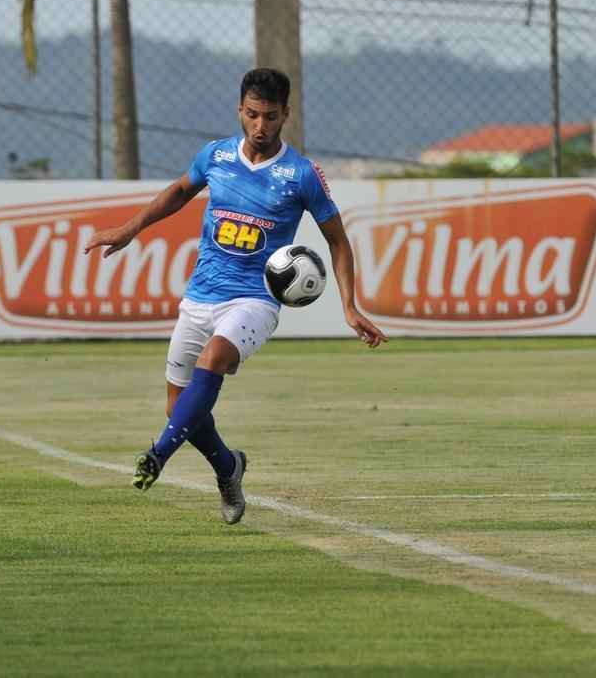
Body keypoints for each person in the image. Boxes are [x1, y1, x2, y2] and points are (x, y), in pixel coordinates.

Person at [84, 68, 387, 525]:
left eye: (269, 116)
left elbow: (337, 240)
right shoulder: (216, 155)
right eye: (251, 115)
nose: (260, 126)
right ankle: (229, 468)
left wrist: (349, 305)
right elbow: (179, 192)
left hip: (255, 301)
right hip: (201, 294)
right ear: (240, 111)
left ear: (286, 114)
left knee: (214, 360)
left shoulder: (301, 174)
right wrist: (130, 230)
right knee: (179, 408)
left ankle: (157, 456)